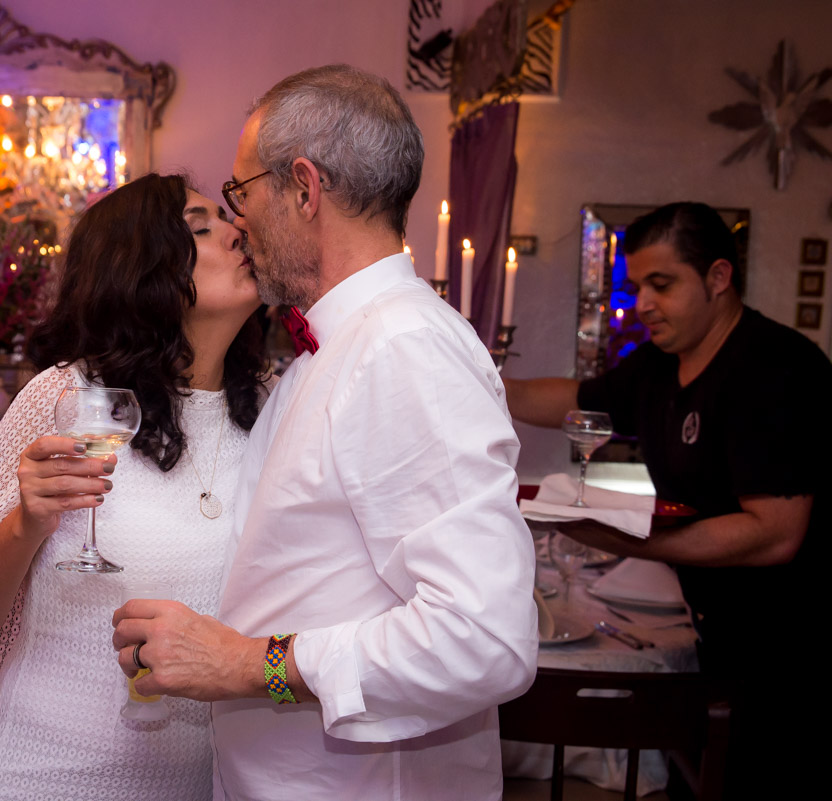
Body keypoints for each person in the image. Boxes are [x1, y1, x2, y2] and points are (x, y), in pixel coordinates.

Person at [111, 65, 537, 801]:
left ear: (304, 189)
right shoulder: (326, 355)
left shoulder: (403, 349)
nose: (235, 221)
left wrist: (248, 663)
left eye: (241, 194)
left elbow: (486, 639)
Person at [0, 173, 267, 800]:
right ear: (144, 270)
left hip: (198, 784)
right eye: (202, 226)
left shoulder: (268, 409)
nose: (241, 231)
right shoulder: (65, 399)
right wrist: (27, 522)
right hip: (42, 775)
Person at [503, 201, 828, 799]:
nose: (642, 303)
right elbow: (577, 400)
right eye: (636, 286)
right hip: (717, 630)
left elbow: (776, 534)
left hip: (794, 644)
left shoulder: (775, 370)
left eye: (662, 284)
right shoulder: (660, 364)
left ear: (719, 278)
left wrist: (634, 538)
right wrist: (484, 385)